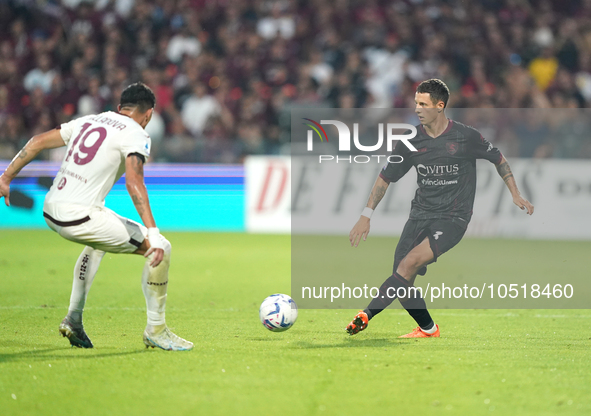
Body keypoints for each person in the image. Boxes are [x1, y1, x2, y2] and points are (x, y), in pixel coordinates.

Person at [0, 82, 193, 351]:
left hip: (51, 208)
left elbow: (37, 142)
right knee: (162, 248)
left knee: (99, 238)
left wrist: (6, 177)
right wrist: (152, 231)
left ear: (119, 108)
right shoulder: (137, 132)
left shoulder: (90, 120)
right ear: (148, 114)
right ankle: (156, 329)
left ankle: (74, 320)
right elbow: (134, 182)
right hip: (79, 216)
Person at [346, 79, 534, 338]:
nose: (417, 109)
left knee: (408, 263)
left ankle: (365, 314)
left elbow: (498, 158)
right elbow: (385, 176)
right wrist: (366, 215)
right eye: (416, 103)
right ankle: (428, 329)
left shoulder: (465, 136)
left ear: (440, 105)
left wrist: (515, 193)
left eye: (423, 104)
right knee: (401, 280)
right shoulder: (411, 140)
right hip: (419, 215)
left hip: (453, 218)